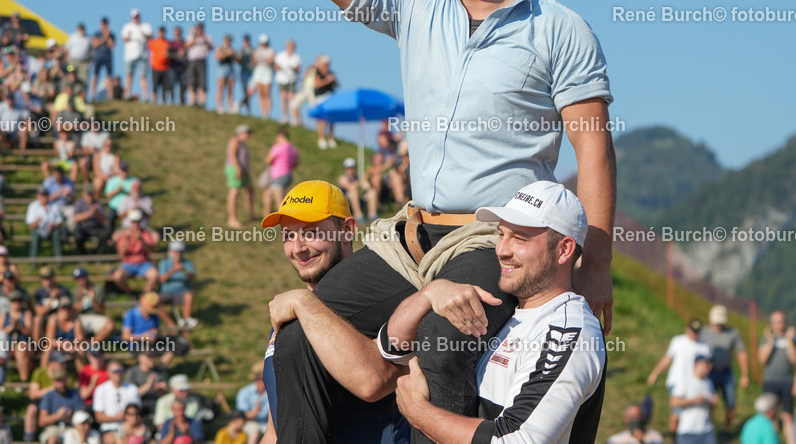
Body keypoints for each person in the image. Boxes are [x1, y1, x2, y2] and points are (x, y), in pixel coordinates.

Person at [268, 0, 615, 440]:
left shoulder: (561, 28)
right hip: (408, 235)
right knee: (299, 336)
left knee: (444, 340)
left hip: (490, 238)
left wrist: (595, 265)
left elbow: (594, 149)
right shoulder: (415, 0)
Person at [384, 181, 606, 444]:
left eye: (520, 238)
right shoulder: (502, 308)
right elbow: (392, 349)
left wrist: (418, 412)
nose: (502, 250)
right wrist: (428, 294)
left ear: (564, 250)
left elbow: (517, 440)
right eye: (501, 235)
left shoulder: (570, 331)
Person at [259, 181, 409, 444]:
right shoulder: (287, 317)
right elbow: (276, 430)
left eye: (310, 232)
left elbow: (374, 380)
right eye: (288, 236)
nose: (298, 248)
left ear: (347, 229)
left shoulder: (384, 301)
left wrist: (304, 302)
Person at [646, 318, 710, 433]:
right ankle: (675, 436)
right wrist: (655, 373)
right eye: (692, 330)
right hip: (677, 382)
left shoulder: (704, 346)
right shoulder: (677, 341)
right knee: (676, 413)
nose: (694, 334)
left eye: (697, 331)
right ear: (687, 329)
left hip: (694, 384)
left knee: (689, 413)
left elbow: (705, 368)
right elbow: (667, 359)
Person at [698, 305, 749, 430]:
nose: (719, 326)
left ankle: (726, 427)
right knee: (709, 402)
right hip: (709, 374)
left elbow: (741, 353)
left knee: (730, 403)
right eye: (716, 323)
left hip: (727, 373)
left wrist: (745, 374)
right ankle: (708, 426)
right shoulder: (704, 332)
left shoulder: (733, 333)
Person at [759, 310, 796, 443]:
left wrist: (789, 341)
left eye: (780, 322)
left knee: (788, 415)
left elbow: (794, 359)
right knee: (771, 415)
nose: (778, 325)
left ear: (785, 323)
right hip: (770, 381)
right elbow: (763, 359)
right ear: (771, 324)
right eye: (775, 322)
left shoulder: (793, 339)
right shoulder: (766, 338)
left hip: (787, 381)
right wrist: (770, 342)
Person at [670, 355, 718, 444]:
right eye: (706, 364)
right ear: (697, 364)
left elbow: (711, 409)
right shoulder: (685, 381)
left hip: (707, 430)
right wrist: (695, 400)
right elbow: (674, 402)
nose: (709, 368)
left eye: (710, 365)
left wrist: (713, 403)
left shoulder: (709, 383)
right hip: (688, 430)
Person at [92, 361, 142, 444]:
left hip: (131, 427)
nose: (118, 374)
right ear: (108, 373)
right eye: (115, 371)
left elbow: (137, 413)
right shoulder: (100, 390)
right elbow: (98, 417)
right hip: (109, 429)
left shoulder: (132, 389)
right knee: (112, 439)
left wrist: (129, 426)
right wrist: (117, 417)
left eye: (120, 371)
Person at [109, 214, 159, 293]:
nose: (136, 224)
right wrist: (127, 241)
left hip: (144, 263)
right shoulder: (124, 234)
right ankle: (131, 293)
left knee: (154, 275)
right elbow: (121, 254)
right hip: (127, 264)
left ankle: (144, 294)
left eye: (137, 221)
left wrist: (142, 240)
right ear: (130, 222)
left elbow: (151, 251)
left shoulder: (146, 234)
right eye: (134, 221)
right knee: (117, 276)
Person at [38, 368, 85, 444]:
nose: (61, 384)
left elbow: (81, 419)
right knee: (52, 440)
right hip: (53, 428)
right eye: (58, 381)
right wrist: (57, 416)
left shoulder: (75, 395)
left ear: (67, 380)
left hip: (71, 428)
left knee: (80, 436)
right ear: (53, 382)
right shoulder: (48, 396)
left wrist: (70, 418)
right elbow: (42, 421)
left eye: (63, 380)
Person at [157, 242, 198, 329]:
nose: (178, 254)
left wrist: (184, 270)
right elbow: (161, 280)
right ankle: (171, 325)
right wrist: (173, 270)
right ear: (170, 251)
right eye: (176, 251)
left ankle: (185, 321)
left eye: (180, 252)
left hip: (182, 292)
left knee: (189, 296)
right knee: (156, 302)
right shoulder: (164, 263)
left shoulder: (187, 263)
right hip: (166, 292)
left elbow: (193, 279)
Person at [262, 128, 297, 216]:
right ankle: (267, 215)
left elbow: (268, 160)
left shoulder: (279, 147)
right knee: (273, 195)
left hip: (279, 174)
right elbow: (296, 163)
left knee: (279, 202)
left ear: (279, 136)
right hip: (288, 174)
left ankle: (282, 221)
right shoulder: (292, 148)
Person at [225, 125, 254, 227]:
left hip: (242, 170)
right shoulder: (235, 141)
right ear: (240, 133)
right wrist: (238, 168)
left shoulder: (242, 144)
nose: (248, 135)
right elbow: (232, 155)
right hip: (234, 169)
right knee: (235, 191)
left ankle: (251, 214)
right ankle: (232, 219)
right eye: (246, 133)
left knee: (250, 189)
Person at [121, 9, 151, 101]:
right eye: (134, 17)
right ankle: (127, 94)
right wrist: (129, 36)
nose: (135, 18)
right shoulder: (127, 27)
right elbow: (124, 38)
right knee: (129, 74)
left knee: (143, 75)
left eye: (137, 16)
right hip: (130, 55)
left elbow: (149, 36)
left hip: (142, 55)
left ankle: (146, 96)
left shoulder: (145, 26)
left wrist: (142, 33)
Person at [26, 188, 65, 259]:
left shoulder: (55, 206)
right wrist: (37, 222)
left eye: (45, 195)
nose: (44, 197)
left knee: (57, 234)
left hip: (52, 230)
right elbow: (31, 225)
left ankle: (59, 260)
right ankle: (33, 261)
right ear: (38, 196)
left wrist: (53, 226)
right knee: (35, 237)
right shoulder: (32, 206)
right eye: (42, 195)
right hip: (38, 230)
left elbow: (60, 222)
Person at [234, 366, 267, 444]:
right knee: (255, 431)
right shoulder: (244, 392)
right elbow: (241, 415)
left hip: (267, 423)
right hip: (249, 422)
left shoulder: (271, 392)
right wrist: (255, 412)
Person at [184, 23, 213, 107]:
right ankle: (193, 102)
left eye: (201, 28)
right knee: (192, 82)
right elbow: (186, 46)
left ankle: (202, 102)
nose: (200, 30)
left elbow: (211, 47)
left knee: (202, 82)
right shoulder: (191, 36)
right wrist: (195, 38)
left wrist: (205, 40)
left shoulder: (207, 37)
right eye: (198, 28)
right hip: (192, 61)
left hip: (202, 61)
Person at [273, 40, 301, 125]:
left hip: (292, 80)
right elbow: (276, 66)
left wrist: (292, 68)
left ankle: (294, 118)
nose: (290, 48)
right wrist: (282, 68)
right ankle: (285, 117)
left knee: (292, 99)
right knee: (283, 98)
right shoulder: (280, 55)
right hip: (282, 79)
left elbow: (298, 68)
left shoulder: (297, 57)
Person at [337, 157, 374, 221]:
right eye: (349, 168)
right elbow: (349, 187)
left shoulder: (359, 177)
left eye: (352, 167)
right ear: (346, 169)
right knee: (353, 192)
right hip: (347, 201)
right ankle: (359, 215)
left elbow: (368, 186)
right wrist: (362, 180)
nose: (351, 170)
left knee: (373, 192)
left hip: (360, 198)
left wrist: (368, 178)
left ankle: (372, 214)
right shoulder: (342, 178)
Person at [312, 55, 337, 147]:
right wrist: (327, 80)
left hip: (330, 97)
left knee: (331, 119)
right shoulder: (318, 73)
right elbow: (317, 84)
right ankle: (321, 138)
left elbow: (337, 85)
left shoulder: (331, 73)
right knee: (322, 119)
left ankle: (331, 138)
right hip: (321, 98)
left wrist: (333, 80)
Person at [90, 18, 115, 102]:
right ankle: (93, 95)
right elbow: (95, 44)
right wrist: (104, 37)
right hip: (98, 57)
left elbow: (112, 46)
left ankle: (110, 96)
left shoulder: (111, 35)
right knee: (95, 76)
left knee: (109, 77)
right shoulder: (97, 34)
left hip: (108, 58)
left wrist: (108, 37)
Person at [249, 35, 274, 119]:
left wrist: (261, 59)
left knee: (267, 93)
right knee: (261, 93)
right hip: (259, 72)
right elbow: (253, 62)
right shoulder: (256, 51)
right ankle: (263, 113)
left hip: (267, 72)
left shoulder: (271, 50)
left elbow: (270, 61)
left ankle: (268, 113)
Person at [148, 27, 172, 105]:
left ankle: (164, 102)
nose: (161, 33)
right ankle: (154, 102)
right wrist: (150, 61)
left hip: (165, 68)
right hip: (155, 67)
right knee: (155, 85)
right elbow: (147, 50)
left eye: (163, 32)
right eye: (160, 32)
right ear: (158, 32)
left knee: (165, 87)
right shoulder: (153, 42)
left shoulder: (167, 43)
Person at [65, 23, 93, 88]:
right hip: (73, 61)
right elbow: (66, 48)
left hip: (84, 62)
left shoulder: (88, 38)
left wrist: (91, 59)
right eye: (80, 29)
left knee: (84, 79)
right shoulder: (73, 37)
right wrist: (67, 59)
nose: (81, 30)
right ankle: (70, 92)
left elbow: (92, 50)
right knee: (71, 76)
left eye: (82, 29)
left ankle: (82, 95)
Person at [215, 34, 237, 114]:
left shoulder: (232, 49)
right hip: (222, 68)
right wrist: (227, 54)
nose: (228, 42)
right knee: (221, 87)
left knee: (230, 89)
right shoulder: (220, 48)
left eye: (230, 40)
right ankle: (220, 107)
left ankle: (230, 107)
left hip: (230, 68)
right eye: (227, 40)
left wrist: (233, 54)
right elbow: (217, 56)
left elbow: (237, 60)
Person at [237, 34, 254, 114]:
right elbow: (239, 62)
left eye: (247, 40)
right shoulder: (241, 50)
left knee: (250, 92)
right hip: (244, 72)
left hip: (252, 73)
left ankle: (239, 104)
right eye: (245, 40)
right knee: (246, 92)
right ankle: (248, 111)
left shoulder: (253, 50)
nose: (246, 42)